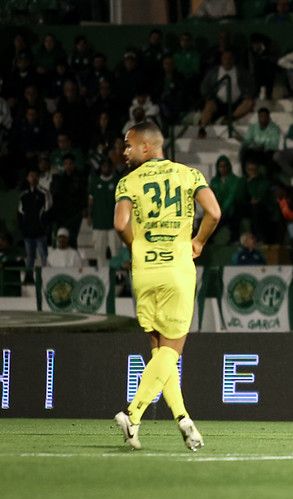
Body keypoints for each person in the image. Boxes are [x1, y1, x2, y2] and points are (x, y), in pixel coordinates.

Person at [113, 121, 221, 452]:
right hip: (176, 268)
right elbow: (214, 212)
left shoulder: (128, 182)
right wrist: (199, 242)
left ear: (148, 147)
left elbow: (120, 224)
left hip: (145, 271)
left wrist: (136, 247)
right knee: (171, 353)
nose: (125, 151)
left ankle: (184, 420)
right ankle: (133, 415)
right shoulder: (188, 175)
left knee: (161, 353)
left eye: (129, 145)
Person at [86, 158, 120, 267]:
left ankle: (118, 275)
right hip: (99, 223)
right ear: (101, 168)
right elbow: (90, 201)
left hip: (113, 224)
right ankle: (103, 275)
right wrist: (89, 216)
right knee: (99, 253)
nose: (105, 168)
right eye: (103, 166)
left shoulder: (116, 181)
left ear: (111, 167)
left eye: (107, 166)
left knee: (116, 252)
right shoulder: (95, 182)